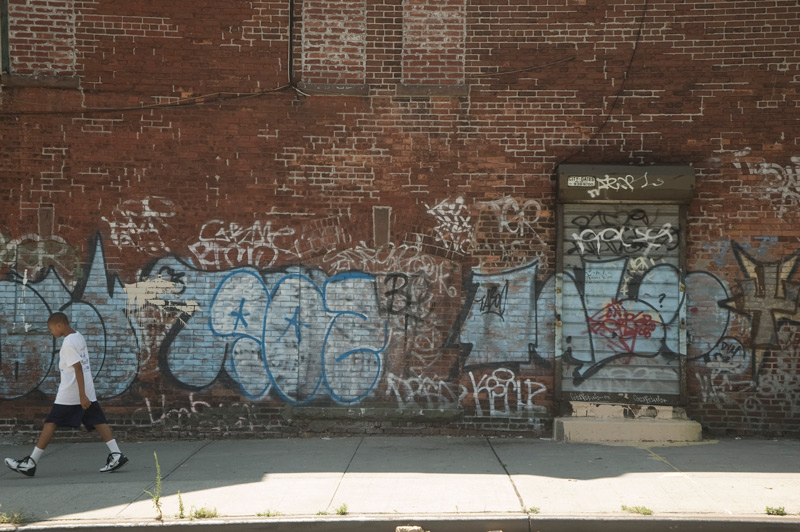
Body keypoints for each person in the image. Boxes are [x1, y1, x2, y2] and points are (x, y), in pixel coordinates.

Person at [4, 312, 129, 477]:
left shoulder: (68, 343)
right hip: (85, 390)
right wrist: (85, 394)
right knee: (98, 421)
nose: (51, 333)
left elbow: (77, 368)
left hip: (72, 392)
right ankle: (117, 455)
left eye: (51, 329)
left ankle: (30, 463)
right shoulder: (78, 336)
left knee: (51, 422)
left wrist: (81, 395)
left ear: (59, 325)